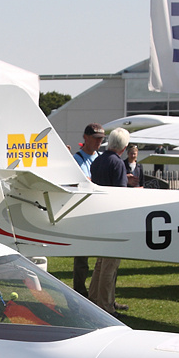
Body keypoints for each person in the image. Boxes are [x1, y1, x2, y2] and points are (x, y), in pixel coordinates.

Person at [86, 127, 132, 313]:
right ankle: (106, 305)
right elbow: (119, 193)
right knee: (110, 265)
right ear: (124, 145)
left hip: (99, 215)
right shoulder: (118, 163)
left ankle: (95, 298)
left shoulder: (98, 161)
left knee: (100, 263)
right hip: (114, 218)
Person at [71, 124, 108, 295]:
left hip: (100, 208)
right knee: (82, 257)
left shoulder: (101, 157)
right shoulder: (77, 159)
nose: (98, 142)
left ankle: (99, 292)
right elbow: (80, 180)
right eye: (95, 139)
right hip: (83, 210)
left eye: (101, 139)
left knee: (104, 258)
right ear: (85, 138)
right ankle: (80, 291)